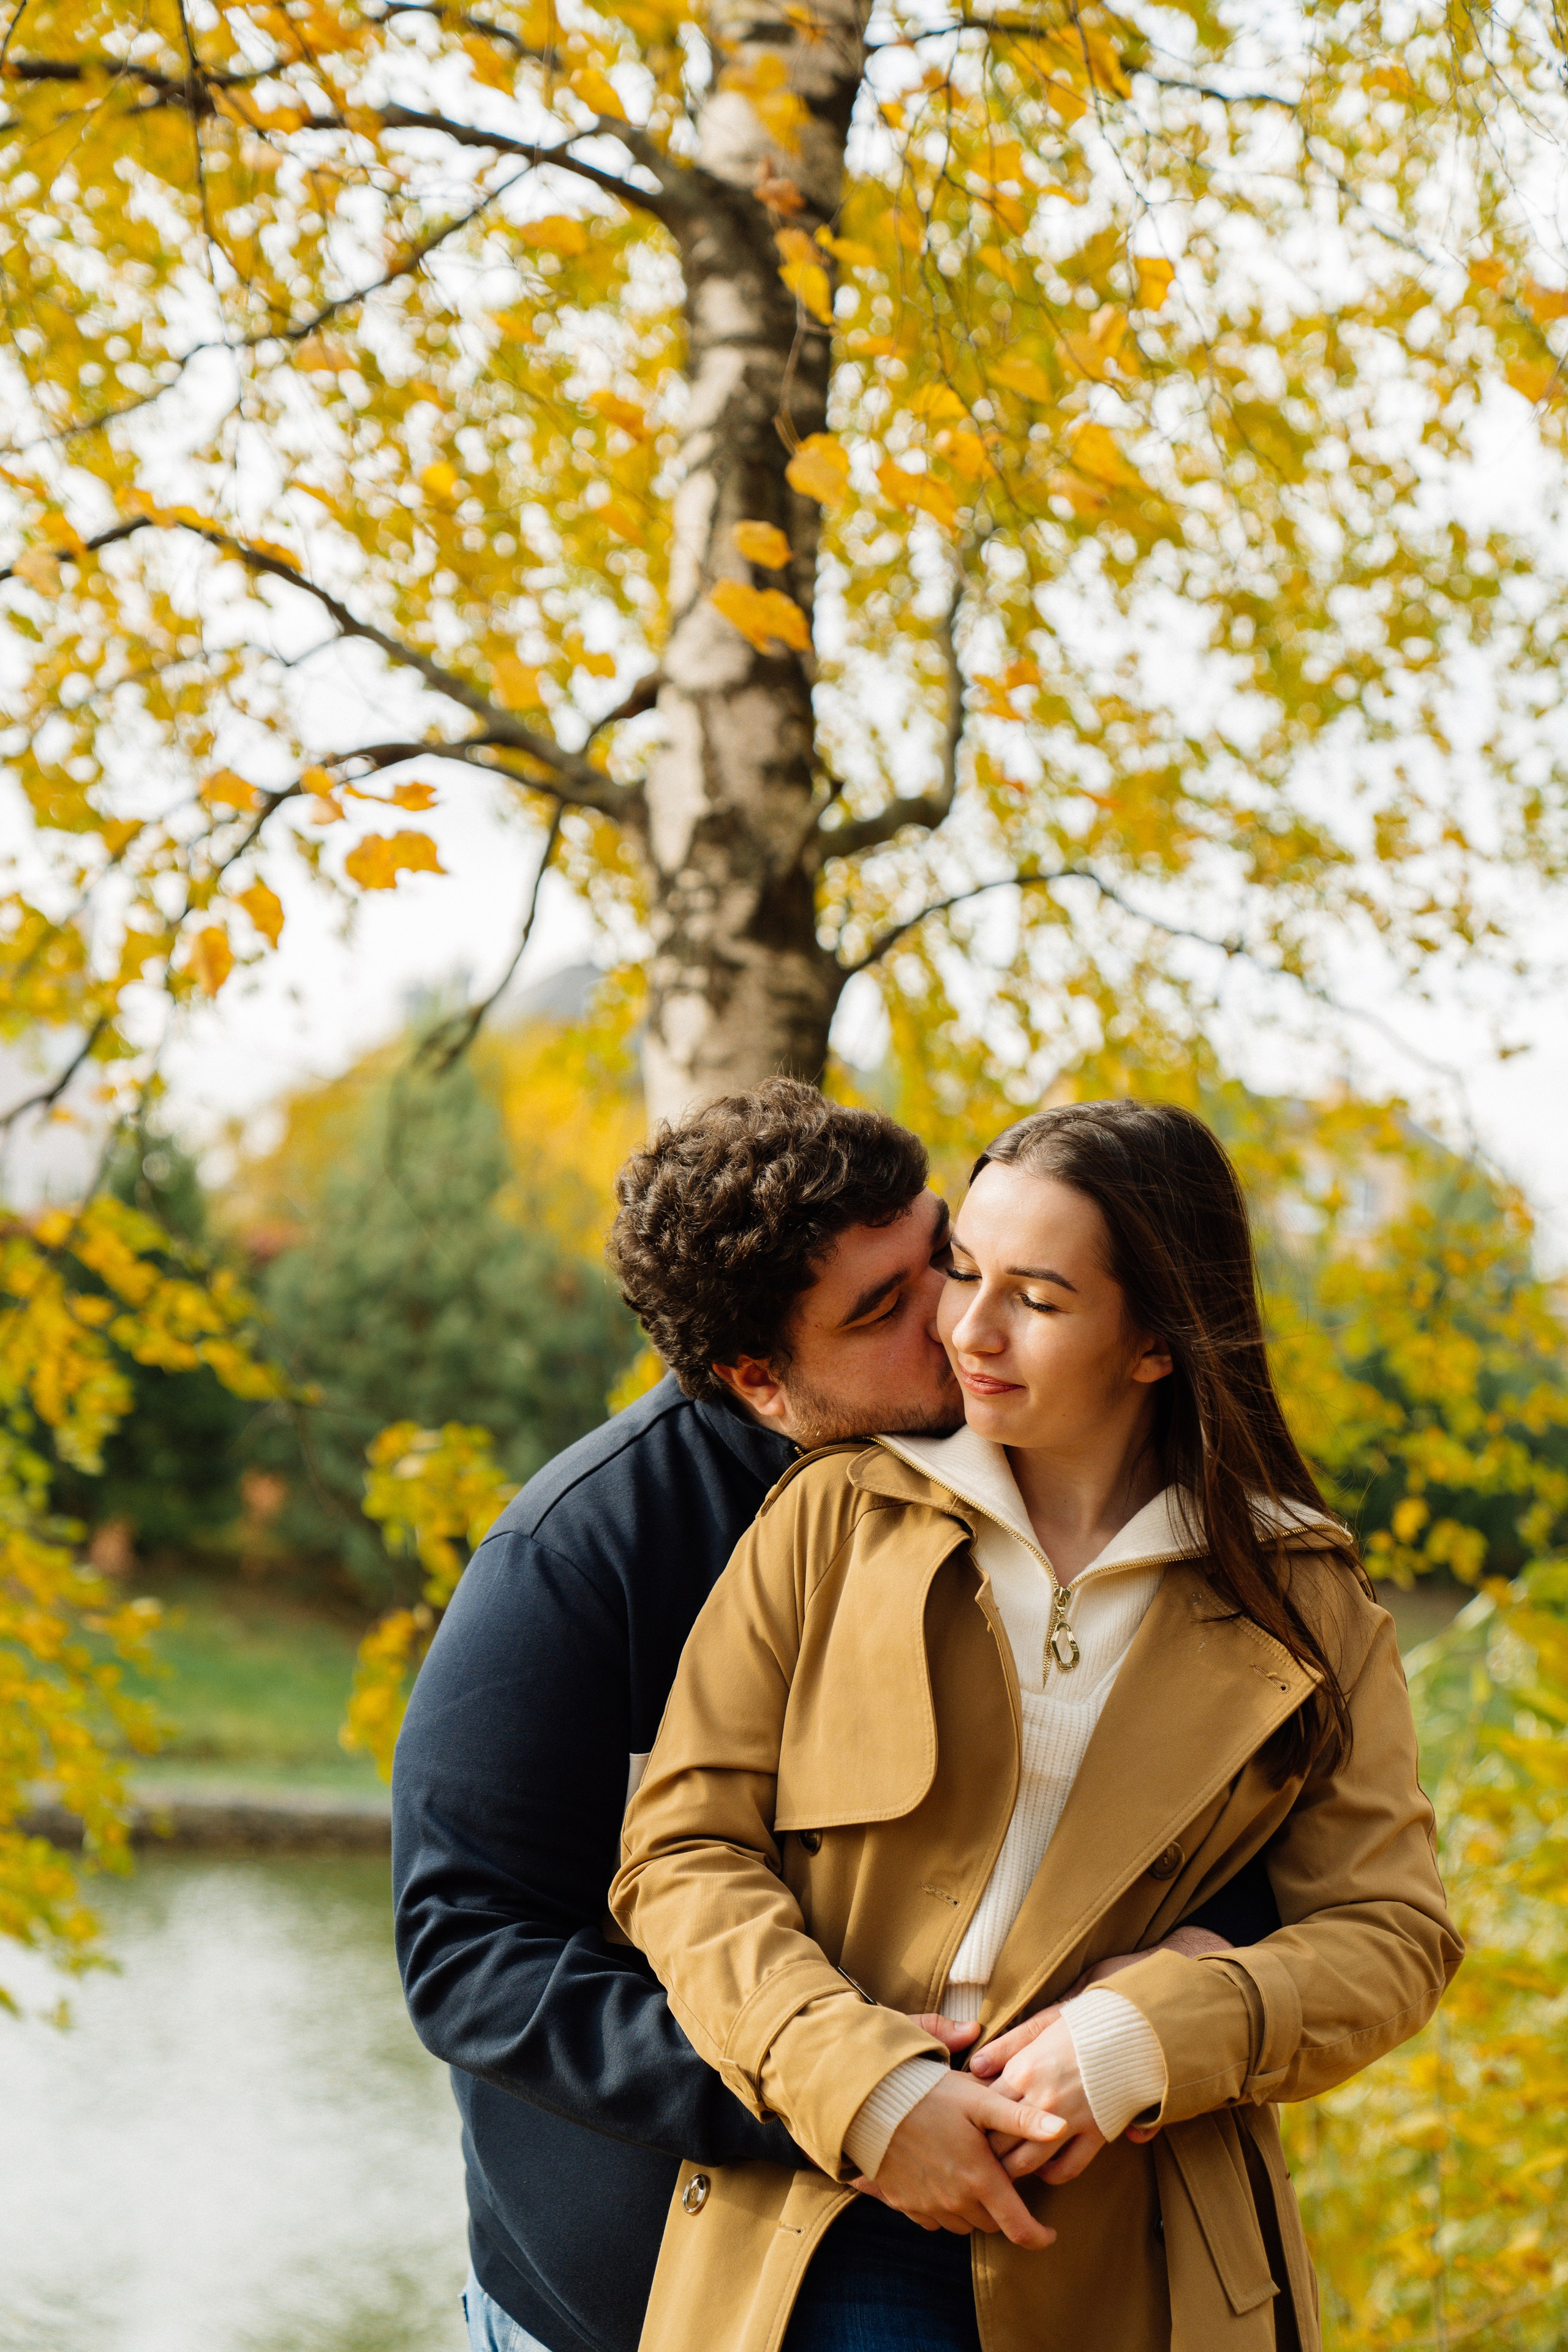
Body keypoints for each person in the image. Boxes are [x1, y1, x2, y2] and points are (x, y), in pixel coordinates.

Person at [393, 1081, 1269, 2352]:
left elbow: (1213, 1819)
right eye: (885, 1309)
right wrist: (842, 2095)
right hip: (625, 2305)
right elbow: (470, 1950)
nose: (960, 1323)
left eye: (944, 1258)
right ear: (758, 1379)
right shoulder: (576, 1561)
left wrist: (1196, 1955)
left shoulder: (1059, 1493)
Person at [611, 1099, 1464, 2352]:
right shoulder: (830, 1516)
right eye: (964, 1271)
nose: (967, 1327)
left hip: (1145, 2246)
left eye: (1039, 1298)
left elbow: (1389, 1936)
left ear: (1154, 1344)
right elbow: (680, 1853)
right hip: (831, 2217)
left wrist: (1141, 2036)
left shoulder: (1304, 1600)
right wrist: (863, 2082)